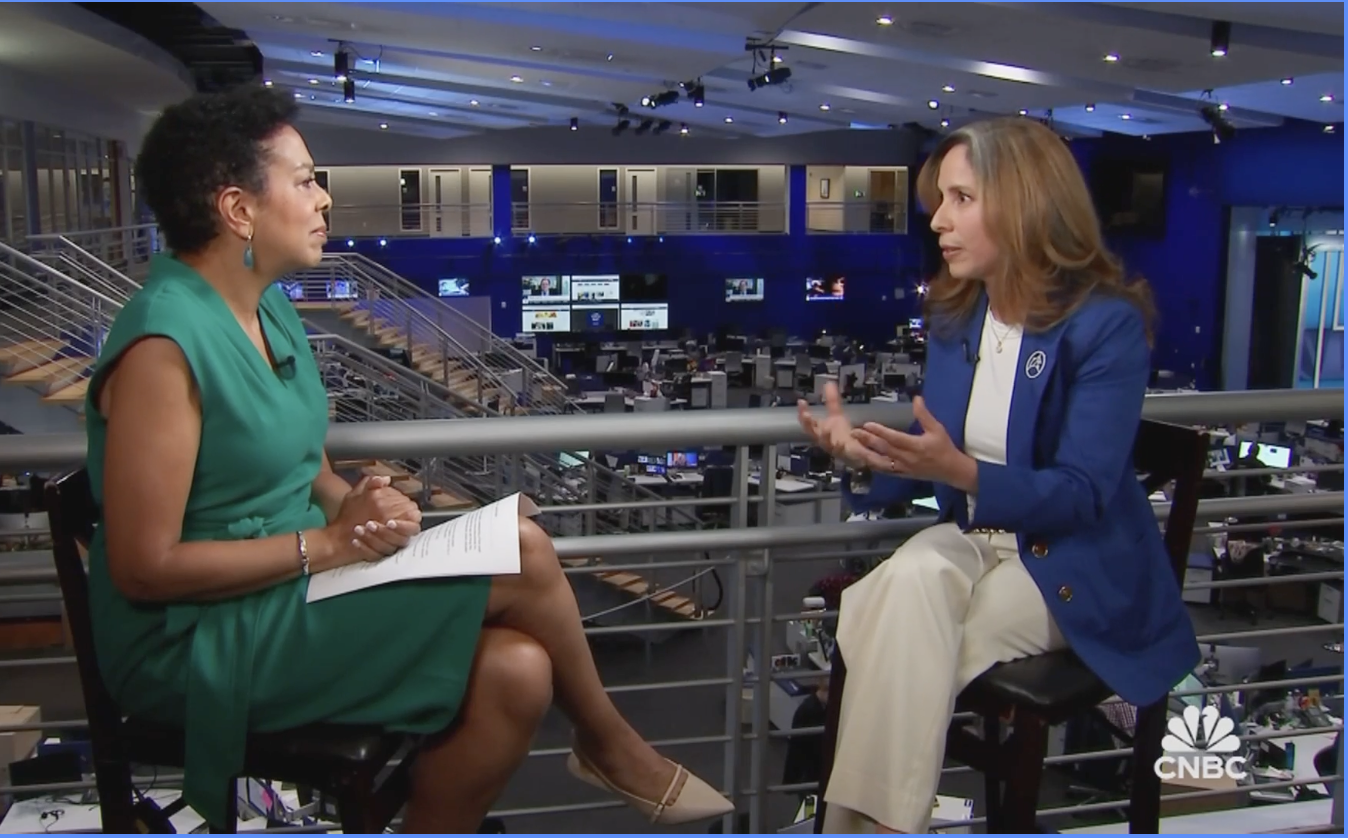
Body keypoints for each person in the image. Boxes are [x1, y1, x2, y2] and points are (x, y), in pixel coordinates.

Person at [84, 86, 731, 833]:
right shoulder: (163, 348)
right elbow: (145, 566)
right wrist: (326, 544)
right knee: (520, 550)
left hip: (291, 585)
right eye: (303, 180)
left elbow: (308, 471)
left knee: (518, 674)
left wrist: (358, 507)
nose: (324, 198)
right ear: (238, 210)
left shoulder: (268, 308)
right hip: (199, 640)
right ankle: (608, 742)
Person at [796, 116, 1199, 833]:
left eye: (961, 199)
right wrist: (862, 455)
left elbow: (1082, 495)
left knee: (892, 624)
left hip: (1072, 560)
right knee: (913, 582)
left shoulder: (1103, 325)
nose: (939, 222)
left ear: (1023, 204)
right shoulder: (958, 318)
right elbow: (934, 460)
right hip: (976, 540)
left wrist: (965, 472)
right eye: (939, 203)